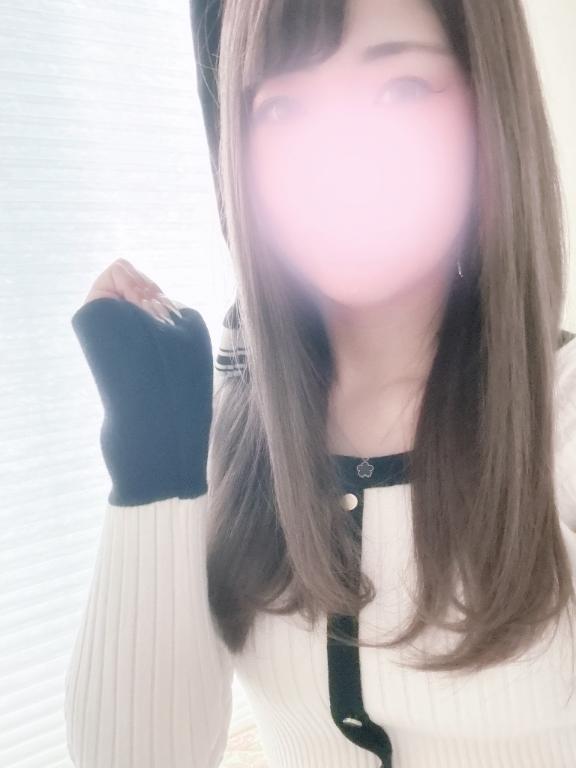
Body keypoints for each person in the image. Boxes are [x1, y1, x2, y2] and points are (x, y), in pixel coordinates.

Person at [64, 0, 576, 766]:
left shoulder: (560, 414)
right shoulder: (235, 428)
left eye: (401, 89)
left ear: (487, 108)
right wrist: (153, 470)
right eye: (282, 107)